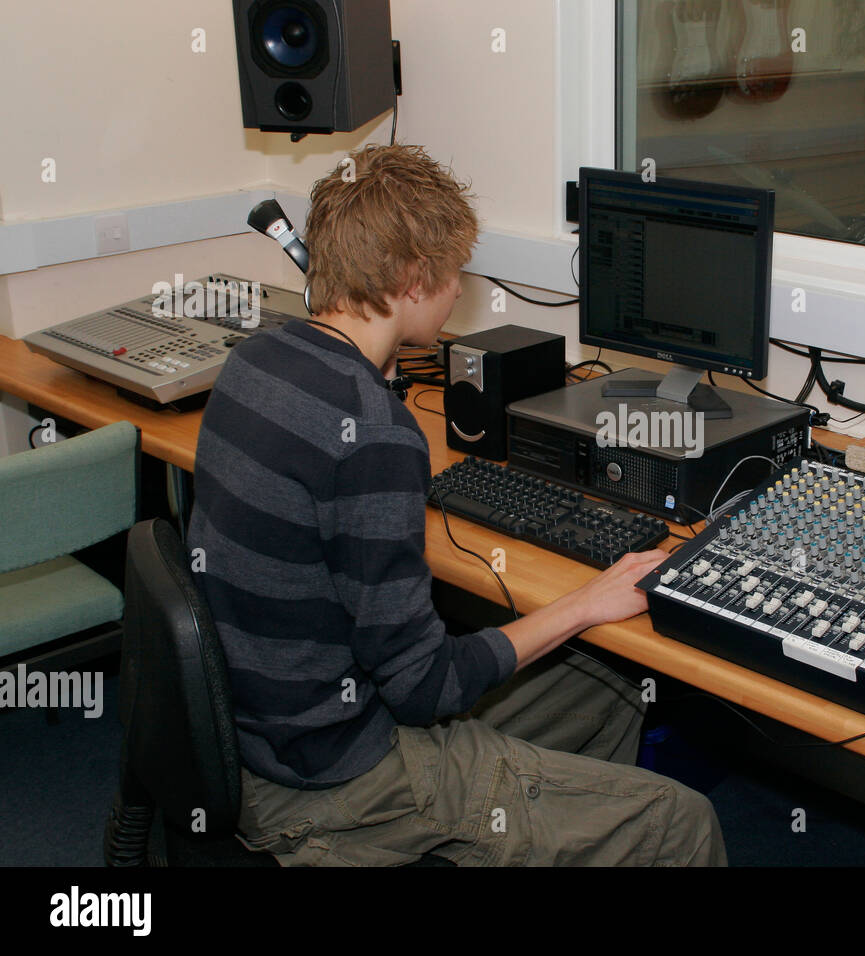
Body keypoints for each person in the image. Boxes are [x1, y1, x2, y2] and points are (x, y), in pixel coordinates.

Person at [186, 143, 727, 866]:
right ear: (413, 280)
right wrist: (584, 603)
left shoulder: (255, 362)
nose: (457, 292)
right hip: (338, 781)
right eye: (453, 274)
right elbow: (424, 687)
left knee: (614, 688)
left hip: (262, 736)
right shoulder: (375, 436)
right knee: (679, 822)